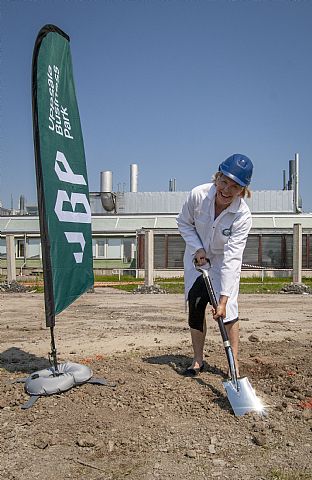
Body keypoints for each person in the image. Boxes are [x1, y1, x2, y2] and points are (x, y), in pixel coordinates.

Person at [176, 153, 253, 377]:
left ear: (243, 190)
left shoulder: (242, 215)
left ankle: (233, 365)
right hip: (196, 259)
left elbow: (232, 258)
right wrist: (197, 248)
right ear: (217, 177)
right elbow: (183, 223)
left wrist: (223, 299)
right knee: (196, 305)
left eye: (235, 186)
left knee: (228, 311)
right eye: (224, 181)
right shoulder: (198, 195)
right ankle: (198, 360)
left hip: (222, 263)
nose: (227, 190)